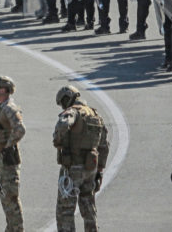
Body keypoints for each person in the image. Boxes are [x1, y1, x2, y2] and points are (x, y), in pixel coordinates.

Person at [53, 85, 109, 232]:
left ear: (66, 99)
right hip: (90, 168)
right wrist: (100, 170)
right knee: (88, 207)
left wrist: (57, 140)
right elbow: (104, 145)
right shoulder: (95, 115)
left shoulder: (73, 112)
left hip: (73, 168)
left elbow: (63, 124)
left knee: (65, 210)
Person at [0, 75, 26, 232]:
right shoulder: (1, 108)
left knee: (10, 199)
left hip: (7, 162)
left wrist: (7, 148)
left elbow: (20, 129)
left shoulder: (9, 108)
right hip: (1, 161)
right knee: (6, 199)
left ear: (3, 90)